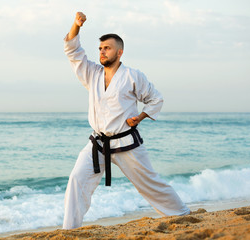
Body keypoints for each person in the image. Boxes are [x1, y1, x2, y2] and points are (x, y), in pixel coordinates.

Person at [63, 12, 190, 230]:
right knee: (76, 180)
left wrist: (140, 117)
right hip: (98, 143)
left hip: (126, 142)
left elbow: (155, 98)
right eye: (101, 48)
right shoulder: (91, 73)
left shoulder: (133, 75)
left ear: (119, 52)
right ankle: (69, 230)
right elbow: (72, 50)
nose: (102, 51)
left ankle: (182, 214)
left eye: (107, 48)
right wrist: (76, 25)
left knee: (150, 184)